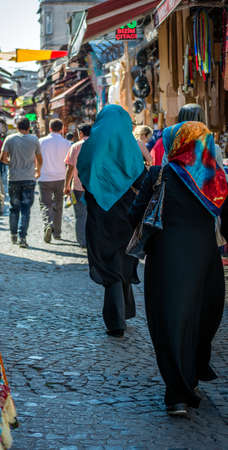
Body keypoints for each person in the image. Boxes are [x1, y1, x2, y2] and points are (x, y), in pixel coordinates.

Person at [128, 121, 228, 416]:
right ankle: (191, 379)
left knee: (169, 321)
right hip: (204, 263)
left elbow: (135, 214)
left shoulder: (159, 174)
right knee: (199, 318)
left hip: (165, 260)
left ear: (174, 143)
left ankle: (176, 394)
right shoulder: (216, 178)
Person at [77, 105, 146, 337]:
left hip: (100, 215)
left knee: (109, 263)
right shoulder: (130, 147)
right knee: (122, 260)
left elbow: (83, 174)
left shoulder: (90, 146)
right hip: (126, 214)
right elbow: (141, 181)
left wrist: (102, 189)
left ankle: (117, 320)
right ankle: (122, 313)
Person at [0, 117, 42, 248]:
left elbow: (2, 158)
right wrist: (38, 171)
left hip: (14, 178)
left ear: (17, 127)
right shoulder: (34, 139)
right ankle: (22, 237)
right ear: (28, 127)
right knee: (25, 209)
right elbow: (40, 159)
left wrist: (11, 163)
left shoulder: (10, 139)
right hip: (29, 178)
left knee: (14, 208)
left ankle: (13, 235)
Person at [37, 119, 71, 243]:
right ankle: (57, 232)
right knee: (59, 205)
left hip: (44, 177)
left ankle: (47, 224)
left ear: (50, 128)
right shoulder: (67, 143)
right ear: (61, 129)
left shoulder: (41, 142)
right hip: (61, 177)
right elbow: (70, 163)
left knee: (45, 204)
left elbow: (36, 158)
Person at [64, 123, 92, 248]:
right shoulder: (98, 145)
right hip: (95, 188)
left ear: (81, 133)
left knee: (80, 216)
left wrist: (66, 185)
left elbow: (70, 168)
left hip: (78, 186)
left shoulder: (75, 146)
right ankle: (93, 240)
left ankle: (82, 241)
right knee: (93, 215)